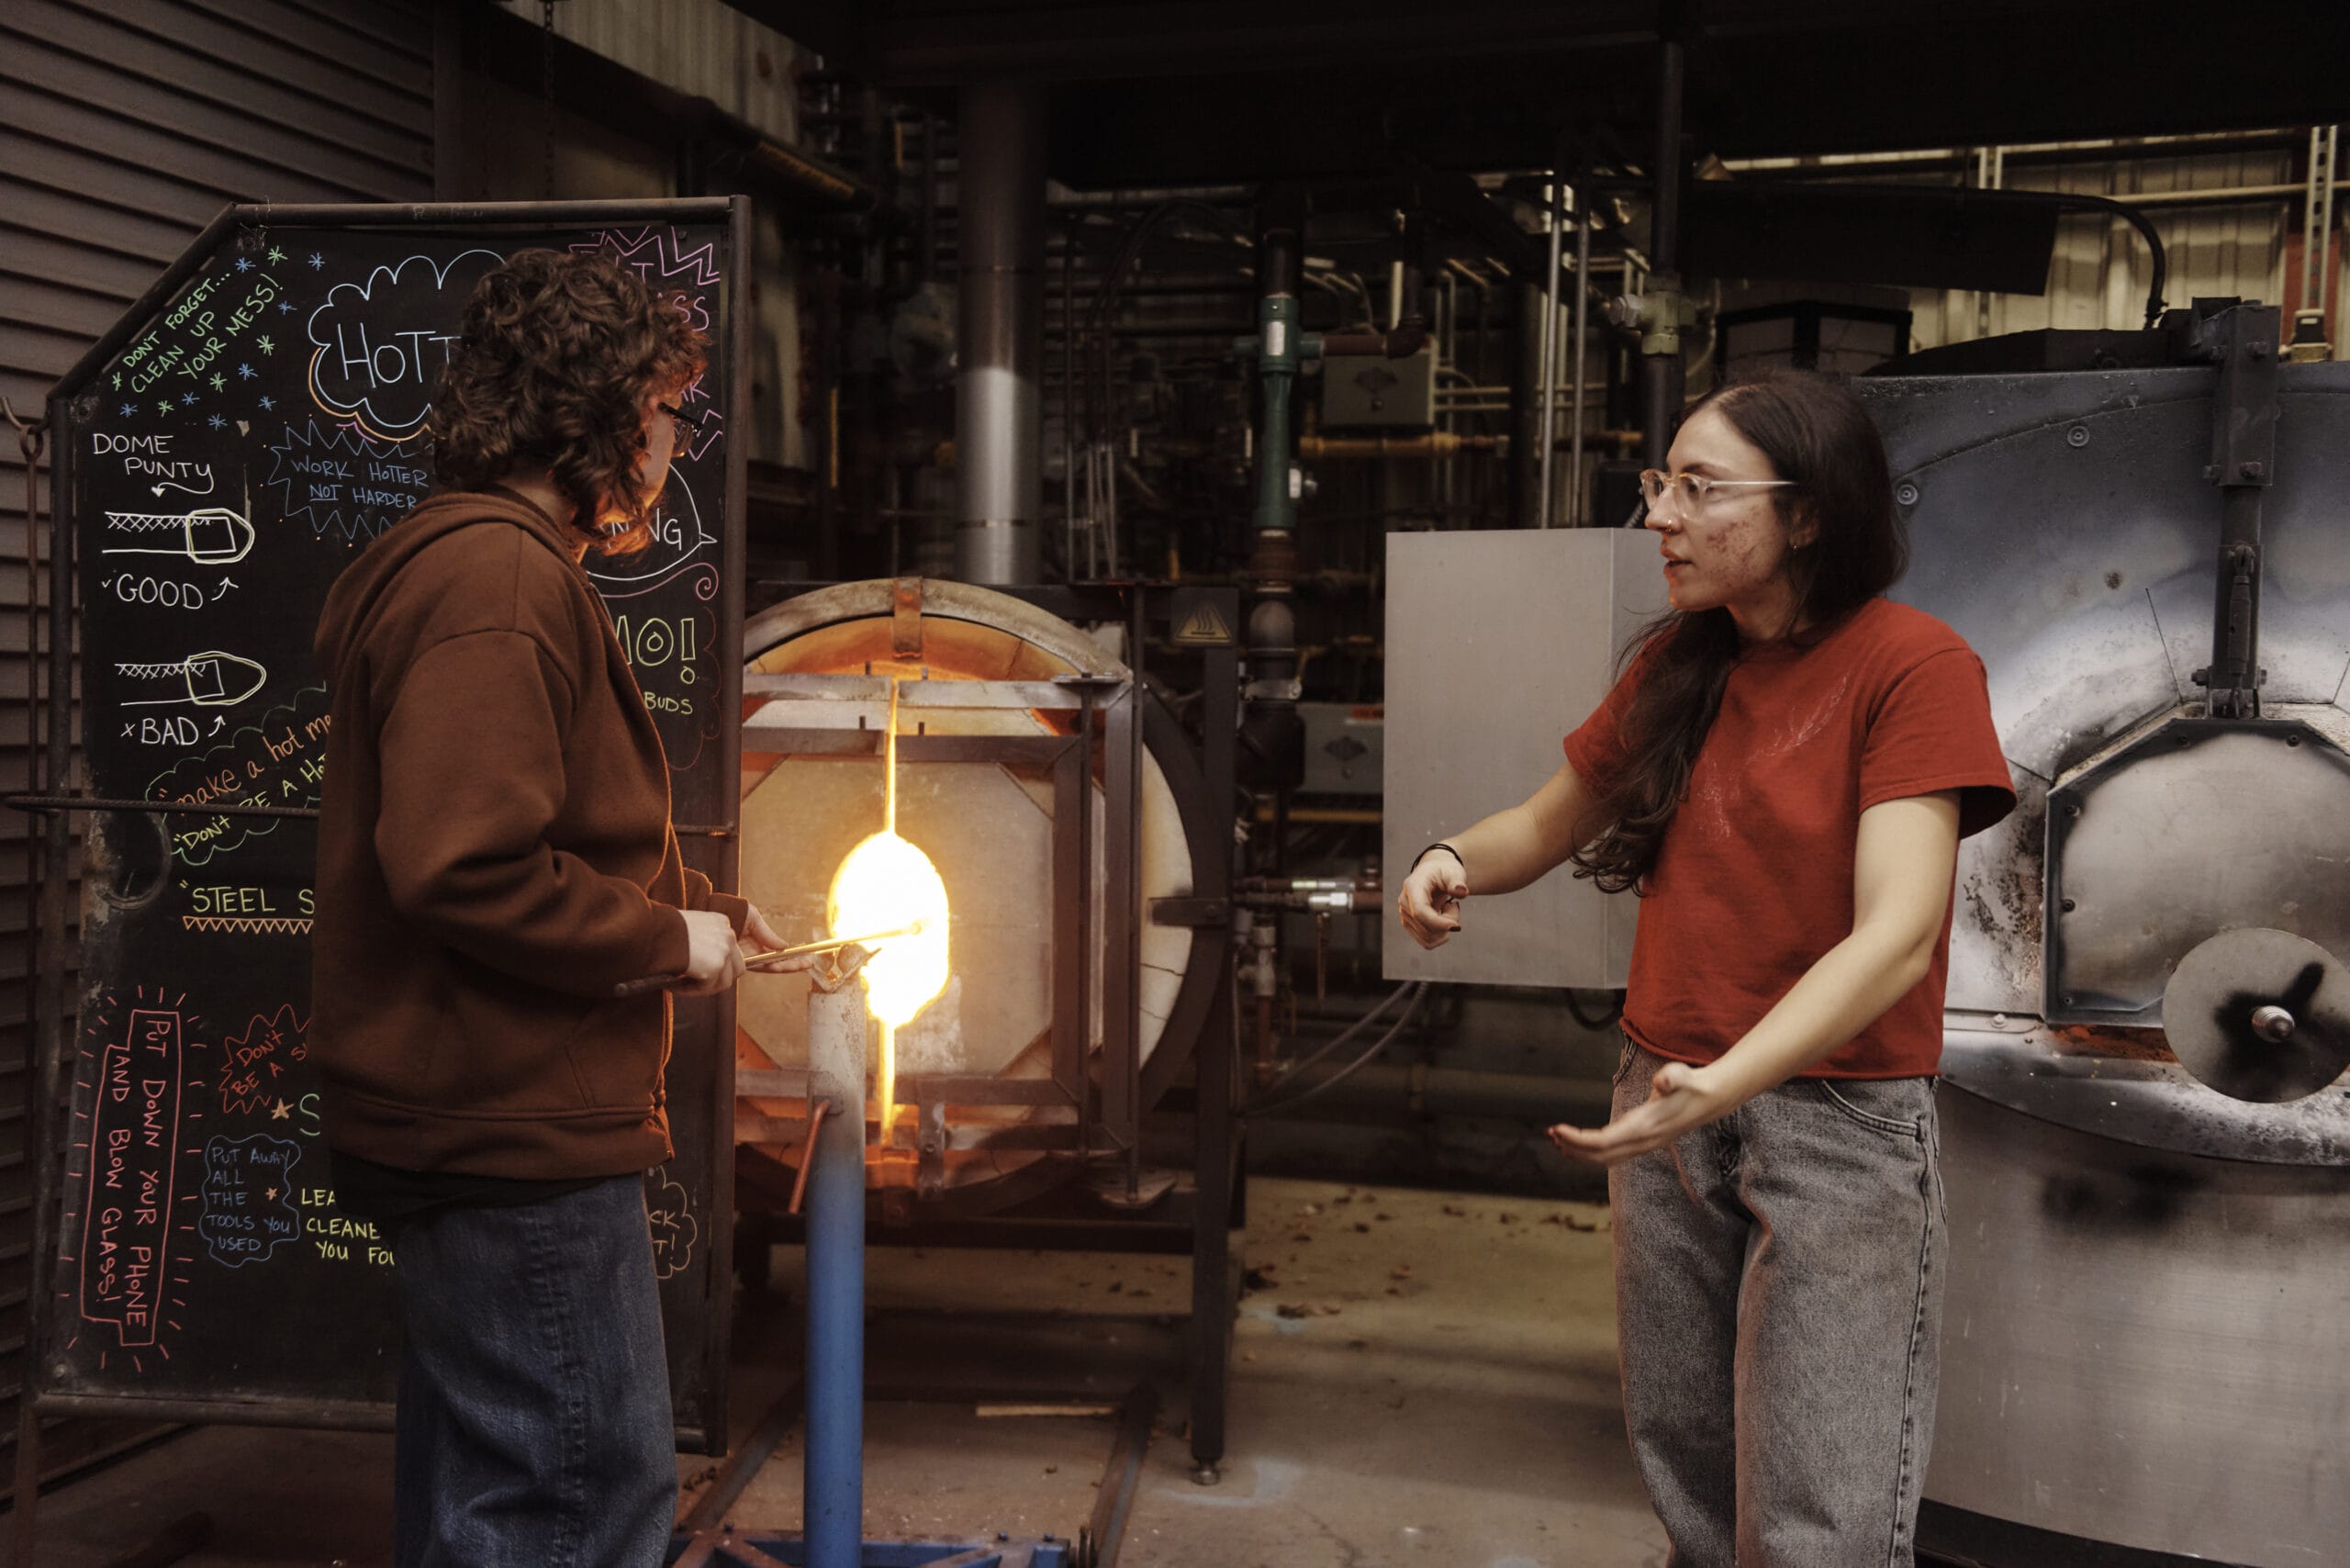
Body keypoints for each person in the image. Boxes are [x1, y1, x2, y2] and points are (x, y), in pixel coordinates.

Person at [1396, 369, 2014, 1568]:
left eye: (1699, 488)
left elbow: (1896, 933)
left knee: (1814, 1519)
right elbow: (1543, 823)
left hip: (1833, 1118)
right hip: (1667, 1098)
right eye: (1659, 484)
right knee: (1690, 1484)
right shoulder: (1684, 667)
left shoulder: (1914, 667)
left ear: (1810, 513)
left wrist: (1728, 1080)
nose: (1660, 517)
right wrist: (1446, 859)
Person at [310, 249, 803, 1568]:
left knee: (494, 1493)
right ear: (598, 410)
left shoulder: (471, 565)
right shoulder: (498, 580)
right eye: (664, 409)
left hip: (476, 1119)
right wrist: (662, 943)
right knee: (574, 1504)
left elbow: (524, 827)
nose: (673, 439)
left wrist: (711, 915)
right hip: (507, 1135)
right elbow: (461, 863)